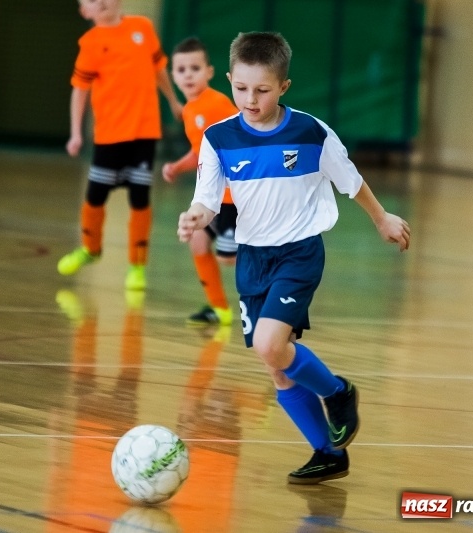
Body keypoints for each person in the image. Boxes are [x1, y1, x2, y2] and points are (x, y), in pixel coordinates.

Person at [177, 32, 410, 484]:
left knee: (269, 345)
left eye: (262, 90)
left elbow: (351, 181)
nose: (250, 99)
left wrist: (382, 219)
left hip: (299, 253)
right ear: (228, 80)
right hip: (252, 258)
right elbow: (207, 200)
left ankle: (339, 392)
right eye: (240, 88)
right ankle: (328, 453)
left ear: (283, 86)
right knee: (276, 364)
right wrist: (195, 217)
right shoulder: (218, 138)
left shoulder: (311, 132)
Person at [58, 0, 182, 290]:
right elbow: (80, 91)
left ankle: (137, 265)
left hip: (144, 132)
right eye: (91, 1)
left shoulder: (142, 28)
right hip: (109, 135)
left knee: (140, 198)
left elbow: (159, 69)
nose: (100, 2)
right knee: (95, 196)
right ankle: (90, 248)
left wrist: (174, 101)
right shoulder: (90, 43)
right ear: (84, 11)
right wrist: (76, 132)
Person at [163, 37, 239, 327]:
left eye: (195, 68)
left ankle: (269, 261)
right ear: (173, 76)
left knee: (228, 258)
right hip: (215, 196)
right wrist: (178, 166)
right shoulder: (190, 110)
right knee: (197, 240)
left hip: (235, 195)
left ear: (209, 72)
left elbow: (242, 138)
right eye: (181, 70)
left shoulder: (217, 104)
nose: (188, 74)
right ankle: (219, 309)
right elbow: (200, 152)